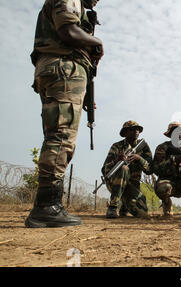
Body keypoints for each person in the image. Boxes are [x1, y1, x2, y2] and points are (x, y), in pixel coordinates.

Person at [25, 0, 104, 228]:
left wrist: (86, 95)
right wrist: (96, 41)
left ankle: (47, 204)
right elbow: (68, 31)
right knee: (61, 137)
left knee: (57, 135)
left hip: (60, 69)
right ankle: (46, 206)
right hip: (64, 67)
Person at [101, 121, 153, 219]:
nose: (136, 131)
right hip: (115, 183)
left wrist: (139, 159)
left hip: (133, 185)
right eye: (132, 129)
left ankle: (125, 206)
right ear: (125, 132)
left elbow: (150, 170)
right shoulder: (116, 146)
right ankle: (112, 207)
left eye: (137, 129)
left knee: (143, 212)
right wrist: (116, 160)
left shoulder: (143, 146)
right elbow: (105, 169)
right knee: (124, 168)